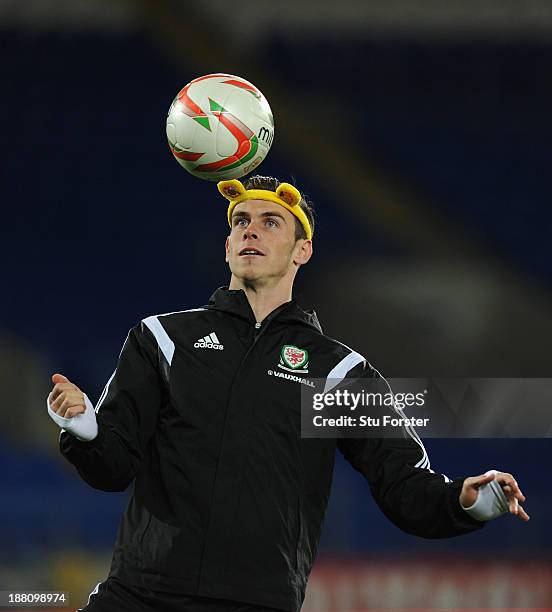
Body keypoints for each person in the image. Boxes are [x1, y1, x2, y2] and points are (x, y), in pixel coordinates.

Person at [47, 175, 528, 612]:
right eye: (241, 222)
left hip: (257, 603)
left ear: (303, 251)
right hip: (140, 594)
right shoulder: (163, 340)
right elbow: (112, 468)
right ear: (228, 245)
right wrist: (85, 429)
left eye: (270, 222)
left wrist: (464, 503)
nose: (250, 231)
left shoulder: (339, 373)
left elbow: (401, 484)